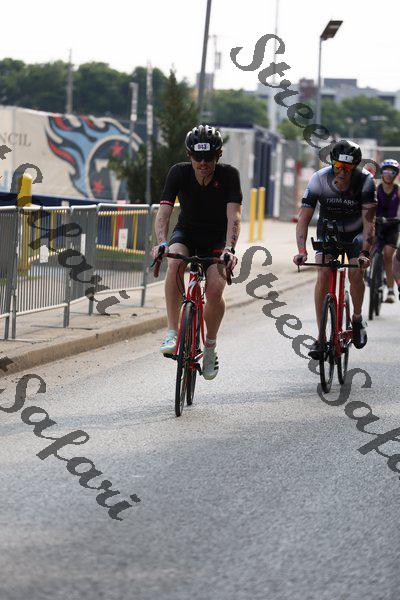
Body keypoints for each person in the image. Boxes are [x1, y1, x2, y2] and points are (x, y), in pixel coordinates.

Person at [152, 125, 242, 380]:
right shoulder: (178, 172)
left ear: (218, 155)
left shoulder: (229, 175)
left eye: (209, 157)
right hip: (187, 232)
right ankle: (172, 331)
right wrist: (161, 243)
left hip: (216, 237)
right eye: (197, 157)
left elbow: (234, 216)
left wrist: (229, 248)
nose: (203, 163)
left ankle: (210, 346)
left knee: (214, 290)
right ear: (189, 155)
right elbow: (164, 213)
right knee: (174, 263)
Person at [293, 140, 377, 358]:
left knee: (355, 273)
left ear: (355, 167)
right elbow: (303, 219)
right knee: (322, 272)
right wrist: (302, 250)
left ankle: (357, 318)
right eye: (338, 166)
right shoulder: (319, 179)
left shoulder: (366, 181)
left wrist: (365, 253)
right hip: (328, 231)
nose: (342, 172)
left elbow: (369, 223)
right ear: (332, 164)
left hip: (356, 234)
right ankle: (321, 337)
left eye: (348, 168)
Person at [376, 159, 400, 303]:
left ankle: (390, 291)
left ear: (396, 174)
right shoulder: (375, 189)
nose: (388, 174)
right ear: (382, 173)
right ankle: (370, 276)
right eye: (386, 171)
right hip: (377, 225)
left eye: (392, 172)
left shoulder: (398, 190)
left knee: (388, 256)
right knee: (368, 251)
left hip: (392, 226)